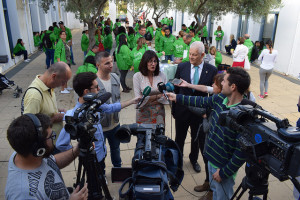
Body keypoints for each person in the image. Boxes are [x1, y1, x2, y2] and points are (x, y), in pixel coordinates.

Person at [167, 67, 251, 200]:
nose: (221, 83)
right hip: (212, 161)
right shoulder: (220, 99)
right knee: (215, 194)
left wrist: (224, 173)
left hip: (222, 170)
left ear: (233, 86)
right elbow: (200, 101)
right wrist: (176, 97)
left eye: (223, 81)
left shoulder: (243, 116)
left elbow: (241, 152)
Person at [56, 73, 139, 194]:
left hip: (100, 153)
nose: (99, 89)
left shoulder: (94, 105)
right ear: (86, 91)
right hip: (89, 158)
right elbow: (60, 144)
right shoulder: (72, 115)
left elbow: (111, 108)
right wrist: (78, 150)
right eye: (96, 87)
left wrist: (132, 101)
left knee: (99, 178)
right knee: (94, 187)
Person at [5, 113, 88, 200]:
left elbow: (53, 162)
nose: (53, 139)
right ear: (38, 148)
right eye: (51, 136)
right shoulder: (22, 194)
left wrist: (77, 149)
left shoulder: (25, 153)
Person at [175, 73, 225, 200]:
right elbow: (204, 89)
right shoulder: (216, 95)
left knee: (211, 163)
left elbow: (205, 112)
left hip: (212, 139)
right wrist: (186, 86)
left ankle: (212, 192)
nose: (212, 85)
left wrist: (205, 115)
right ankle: (208, 184)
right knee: (207, 160)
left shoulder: (219, 100)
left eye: (215, 83)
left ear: (221, 87)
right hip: (207, 138)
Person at [172, 41, 217, 173]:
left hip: (200, 113)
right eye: (190, 54)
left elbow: (213, 93)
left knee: (196, 139)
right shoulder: (182, 67)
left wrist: (208, 112)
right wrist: (175, 109)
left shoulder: (212, 70)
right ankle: (178, 162)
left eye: (194, 55)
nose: (191, 57)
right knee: (179, 138)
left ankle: (193, 159)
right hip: (182, 111)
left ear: (202, 55)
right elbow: (175, 88)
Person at [23, 62, 72, 141]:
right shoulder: (34, 95)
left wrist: (57, 110)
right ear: (54, 76)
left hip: (55, 140)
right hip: (46, 145)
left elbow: (43, 109)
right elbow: (29, 126)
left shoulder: (49, 87)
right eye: (63, 82)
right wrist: (53, 119)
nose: (63, 85)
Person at [95, 52, 122, 167]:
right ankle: (101, 175)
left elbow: (118, 97)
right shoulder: (93, 83)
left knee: (116, 149)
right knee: (100, 153)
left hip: (115, 125)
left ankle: (118, 169)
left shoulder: (115, 77)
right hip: (100, 128)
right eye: (107, 63)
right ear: (98, 65)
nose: (111, 65)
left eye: (111, 61)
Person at [133, 50, 169, 124]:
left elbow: (166, 97)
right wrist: (157, 96)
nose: (153, 64)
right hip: (143, 115)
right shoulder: (137, 76)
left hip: (159, 115)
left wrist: (147, 98)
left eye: (155, 61)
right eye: (150, 61)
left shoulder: (162, 75)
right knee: (143, 135)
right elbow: (138, 101)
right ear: (144, 62)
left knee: (159, 135)